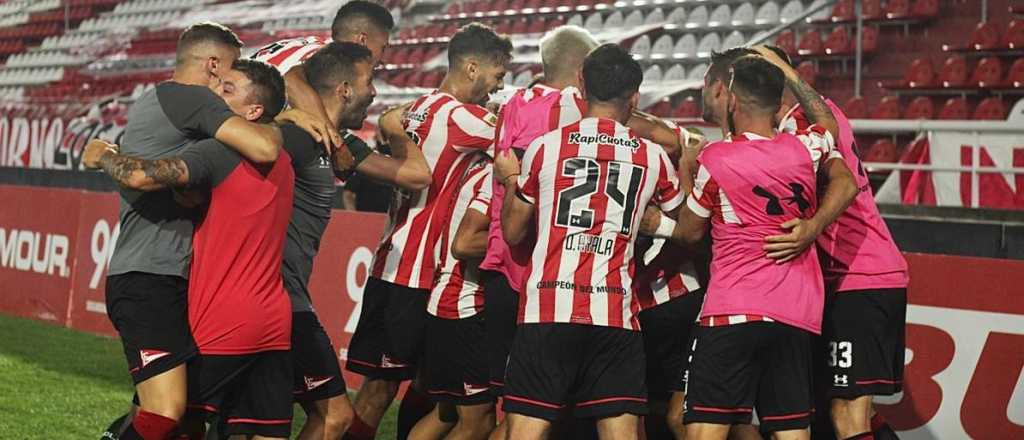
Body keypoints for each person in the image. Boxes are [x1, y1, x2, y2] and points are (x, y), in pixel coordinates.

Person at [97, 22, 323, 440]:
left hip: (186, 284)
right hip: (151, 278)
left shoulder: (189, 120)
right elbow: (265, 146)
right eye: (231, 74)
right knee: (166, 413)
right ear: (214, 66)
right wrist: (105, 157)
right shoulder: (191, 102)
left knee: (178, 418)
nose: (224, 89)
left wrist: (278, 114)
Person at [644, 48, 858, 439]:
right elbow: (827, 122)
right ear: (779, 104)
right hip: (795, 313)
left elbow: (691, 232)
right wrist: (811, 226)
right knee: (791, 431)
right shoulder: (805, 148)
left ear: (734, 100)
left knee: (702, 430)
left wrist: (657, 222)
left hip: (733, 311)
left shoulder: (716, 158)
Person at [493, 43, 684, 440]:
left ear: (580, 85)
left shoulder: (545, 149)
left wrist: (510, 179)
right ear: (634, 97)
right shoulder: (653, 158)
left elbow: (512, 233)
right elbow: (685, 224)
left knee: (524, 432)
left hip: (547, 309)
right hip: (614, 311)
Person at [345, 22, 511, 440]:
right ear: (472, 68)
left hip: (395, 261)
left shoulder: (411, 110)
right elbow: (527, 145)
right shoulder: (463, 119)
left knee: (423, 385)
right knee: (381, 390)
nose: (496, 88)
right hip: (412, 275)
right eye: (497, 76)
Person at [766, 46, 907, 440]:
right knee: (849, 408)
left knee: (847, 413)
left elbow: (840, 186)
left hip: (862, 276)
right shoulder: (800, 124)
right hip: (848, 278)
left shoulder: (812, 121)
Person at [409, 157, 495, 440]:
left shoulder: (480, 169)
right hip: (465, 307)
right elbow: (465, 243)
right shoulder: (494, 178)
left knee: (446, 414)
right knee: (477, 423)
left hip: (448, 302)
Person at [251, 0, 395, 150]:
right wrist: (335, 143)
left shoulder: (307, 45)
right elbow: (290, 81)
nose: (383, 59)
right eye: (383, 48)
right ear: (362, 41)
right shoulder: (324, 60)